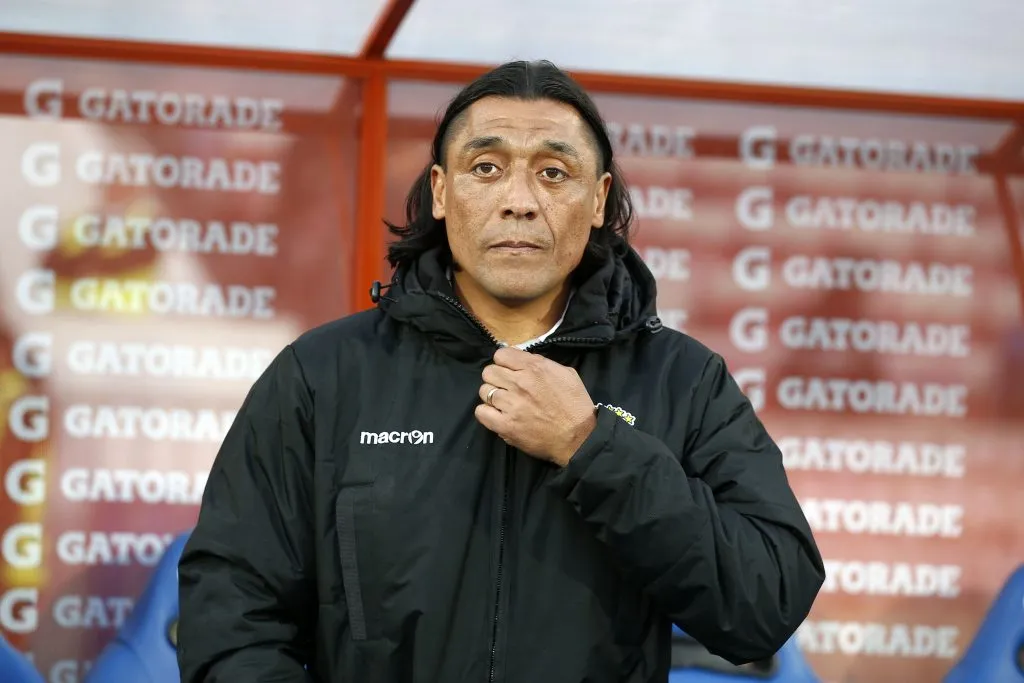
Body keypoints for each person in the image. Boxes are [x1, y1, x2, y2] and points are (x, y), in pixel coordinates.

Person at [176, 59, 825, 683]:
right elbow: (231, 614)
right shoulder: (324, 375)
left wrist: (595, 449)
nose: (518, 200)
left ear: (599, 199)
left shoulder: (681, 379)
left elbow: (767, 601)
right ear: (440, 191)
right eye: (485, 168)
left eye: (553, 173)